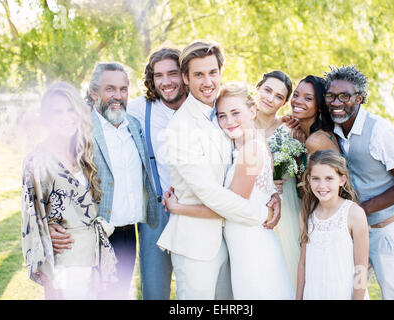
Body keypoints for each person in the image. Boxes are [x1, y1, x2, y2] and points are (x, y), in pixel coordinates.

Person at [156, 40, 282, 300]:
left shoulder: (221, 114)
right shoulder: (180, 128)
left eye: (213, 73)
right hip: (196, 245)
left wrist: (270, 192)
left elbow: (246, 167)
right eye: (199, 74)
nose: (207, 82)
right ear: (185, 78)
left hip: (230, 242)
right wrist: (261, 211)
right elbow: (210, 193)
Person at [48, 62, 160, 299]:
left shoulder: (135, 126)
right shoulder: (79, 129)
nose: (117, 96)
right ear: (94, 93)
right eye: (110, 89)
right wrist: (48, 222)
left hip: (127, 235)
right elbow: (51, 179)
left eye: (123, 89)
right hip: (89, 235)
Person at [324, 65, 394, 299]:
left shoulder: (381, 132)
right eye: (331, 96)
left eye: (345, 96)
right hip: (354, 234)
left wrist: (361, 210)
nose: (337, 102)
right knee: (349, 290)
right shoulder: (332, 129)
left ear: (360, 98)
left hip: (386, 231)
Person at [21, 82, 117, 299]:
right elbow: (31, 219)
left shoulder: (84, 153)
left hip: (93, 259)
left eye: (70, 109)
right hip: (64, 264)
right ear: (46, 118)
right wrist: (47, 233)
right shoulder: (37, 161)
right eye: (58, 112)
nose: (66, 117)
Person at [127, 48, 187, 299]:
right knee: (153, 289)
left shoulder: (204, 106)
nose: (166, 82)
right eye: (158, 75)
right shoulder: (139, 109)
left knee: (195, 287)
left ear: (184, 75)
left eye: (172, 73)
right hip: (155, 211)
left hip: (195, 210)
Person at [296, 150, 369, 300]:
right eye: (316, 178)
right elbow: (303, 263)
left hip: (343, 293)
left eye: (329, 178)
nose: (322, 185)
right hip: (314, 293)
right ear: (308, 179)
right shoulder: (306, 214)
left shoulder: (354, 214)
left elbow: (361, 268)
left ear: (342, 180)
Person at [253, 70, 302, 290]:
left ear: (284, 103)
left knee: (287, 264)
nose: (270, 99)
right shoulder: (238, 123)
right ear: (258, 88)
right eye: (267, 90)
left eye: (279, 96)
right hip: (252, 206)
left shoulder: (289, 129)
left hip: (285, 208)